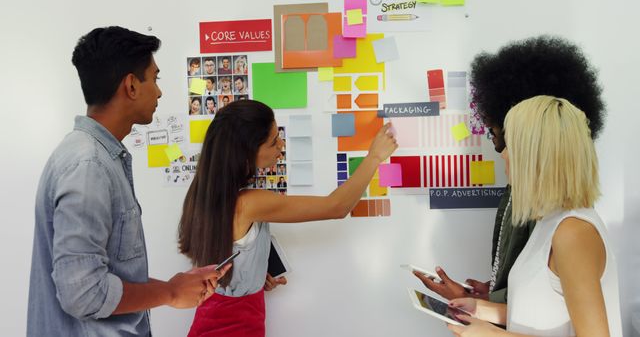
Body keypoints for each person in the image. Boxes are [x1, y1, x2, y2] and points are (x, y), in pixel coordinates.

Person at [27, 26, 228, 337]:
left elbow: (101, 276)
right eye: (155, 78)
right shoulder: (88, 166)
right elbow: (83, 292)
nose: (159, 92)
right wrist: (171, 294)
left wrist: (176, 285)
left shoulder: (94, 156)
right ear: (131, 86)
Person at [177, 100, 397, 336]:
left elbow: (219, 256)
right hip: (232, 327)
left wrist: (250, 278)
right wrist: (374, 157)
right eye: (273, 142)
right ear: (246, 152)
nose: (281, 145)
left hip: (216, 320)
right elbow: (338, 206)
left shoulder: (206, 194)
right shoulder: (248, 203)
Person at [416, 36, 606, 304]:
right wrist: (488, 297)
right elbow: (537, 284)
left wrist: (483, 312)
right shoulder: (531, 201)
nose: (500, 151)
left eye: (498, 130)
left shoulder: (570, 228)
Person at [447, 96, 622, 336]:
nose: (503, 155)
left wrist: (490, 334)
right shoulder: (547, 222)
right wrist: (481, 310)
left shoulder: (573, 232)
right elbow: (544, 311)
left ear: (535, 156)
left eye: (511, 145)